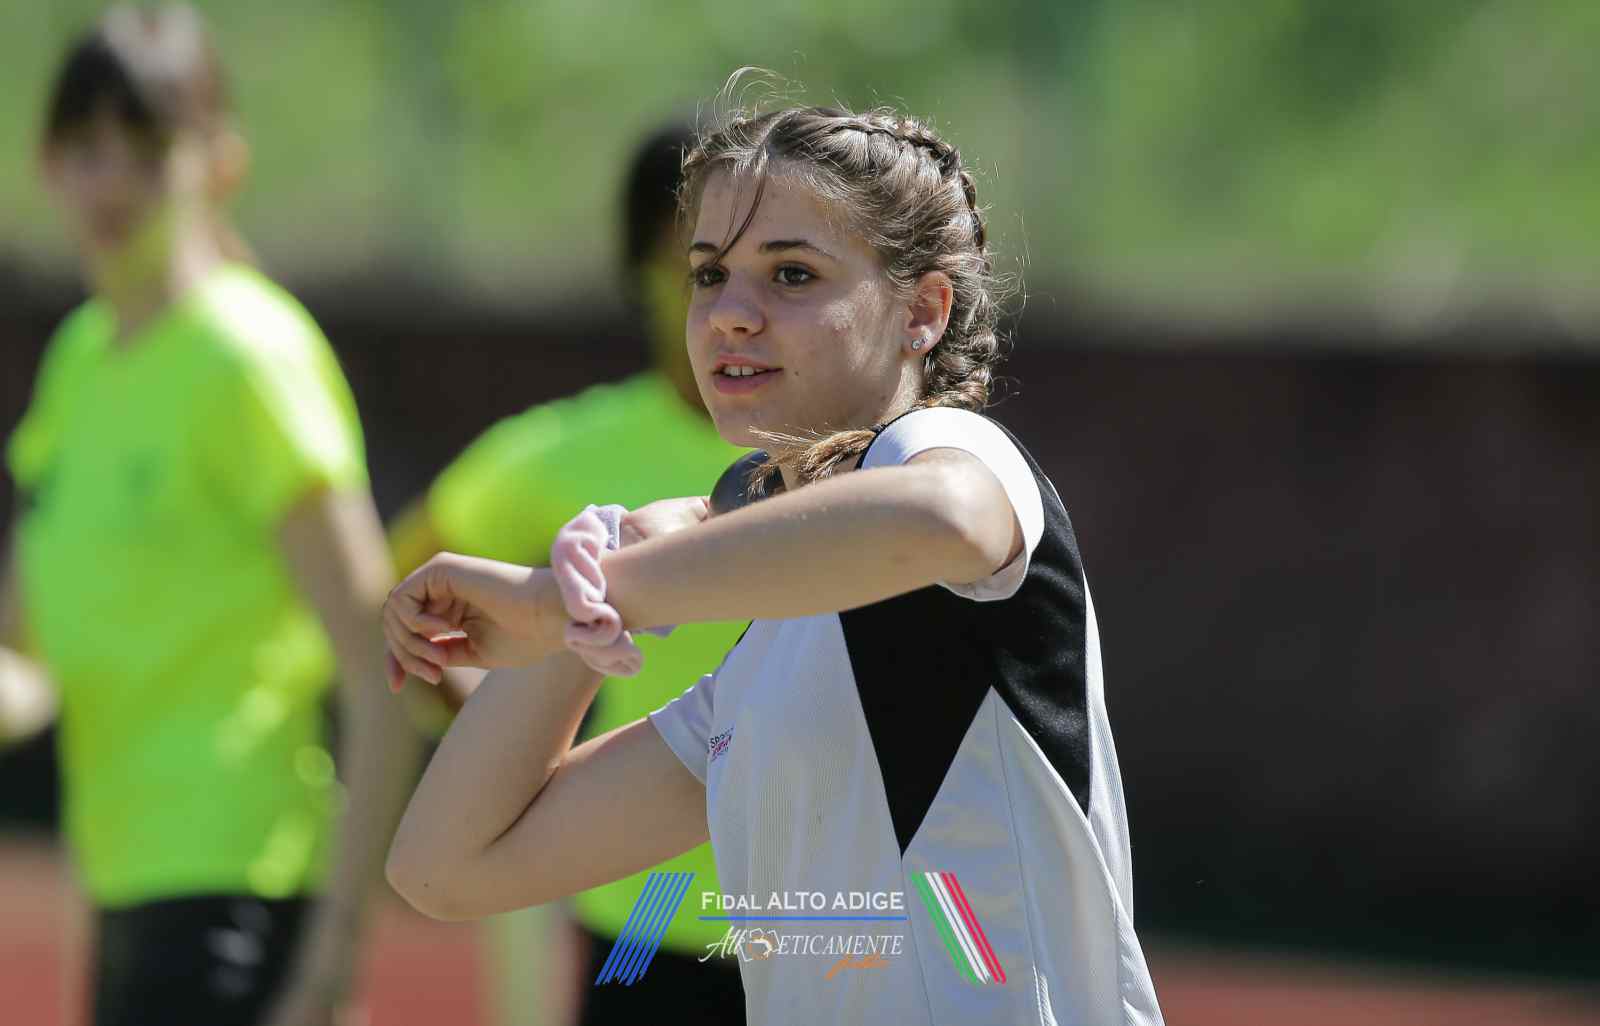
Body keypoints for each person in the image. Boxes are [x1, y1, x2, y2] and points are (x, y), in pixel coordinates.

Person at [383, 94, 1166, 1026]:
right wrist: (585, 601)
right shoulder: (763, 671)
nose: (729, 314)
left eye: (792, 274)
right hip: (658, 941)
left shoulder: (946, 448)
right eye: (709, 274)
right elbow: (445, 870)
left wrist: (576, 599)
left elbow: (942, 520)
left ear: (922, 312)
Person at [0, 8, 423, 1025]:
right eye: (85, 148)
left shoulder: (248, 355)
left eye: (146, 149)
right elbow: (30, 660)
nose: (111, 181)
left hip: (239, 897)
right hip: (119, 887)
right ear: (46, 165)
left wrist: (329, 968)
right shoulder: (81, 361)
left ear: (218, 162)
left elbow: (379, 671)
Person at [386, 122, 749, 1025]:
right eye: (697, 264)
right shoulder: (560, 453)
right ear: (639, 266)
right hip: (647, 903)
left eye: (766, 265)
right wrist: (501, 732)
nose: (728, 300)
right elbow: (399, 587)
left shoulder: (844, 461)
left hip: (824, 911)